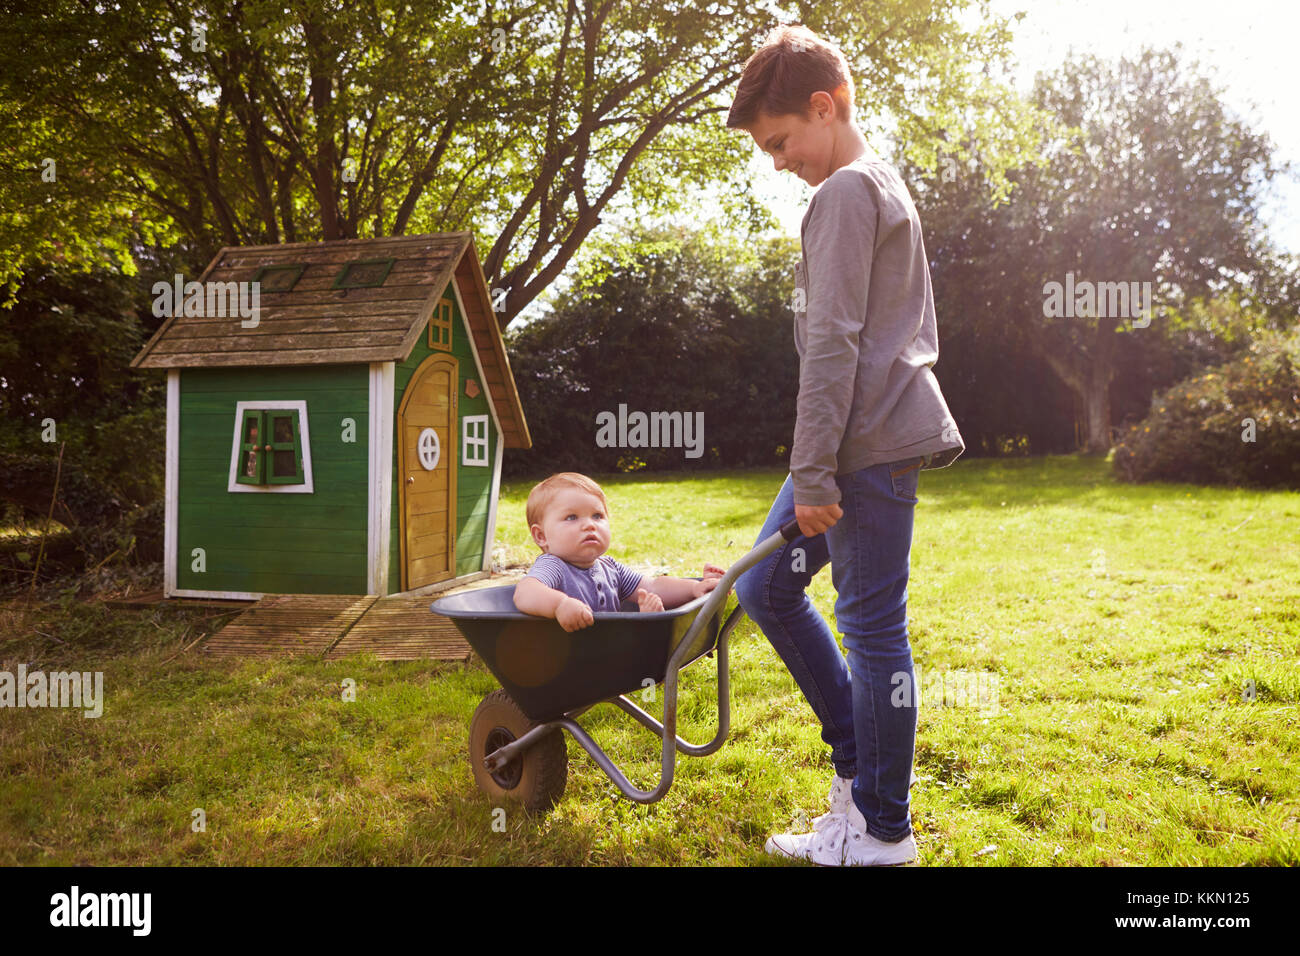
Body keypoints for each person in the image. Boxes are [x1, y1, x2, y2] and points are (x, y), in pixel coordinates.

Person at [726, 24, 965, 866]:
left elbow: (832, 343)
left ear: (825, 108)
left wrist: (813, 470)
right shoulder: (881, 183)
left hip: (857, 451)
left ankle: (881, 831)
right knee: (766, 590)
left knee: (868, 628)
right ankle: (858, 774)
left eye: (781, 140)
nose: (776, 160)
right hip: (860, 447)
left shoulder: (843, 195)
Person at [513, 472, 727, 632]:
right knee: (645, 630)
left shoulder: (610, 567)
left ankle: (648, 626)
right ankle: (647, 628)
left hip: (607, 648)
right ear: (541, 536)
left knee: (650, 615)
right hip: (570, 653)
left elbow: (653, 586)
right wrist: (559, 605)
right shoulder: (553, 566)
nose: (589, 525)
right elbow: (525, 591)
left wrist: (694, 588)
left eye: (597, 516)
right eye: (571, 517)